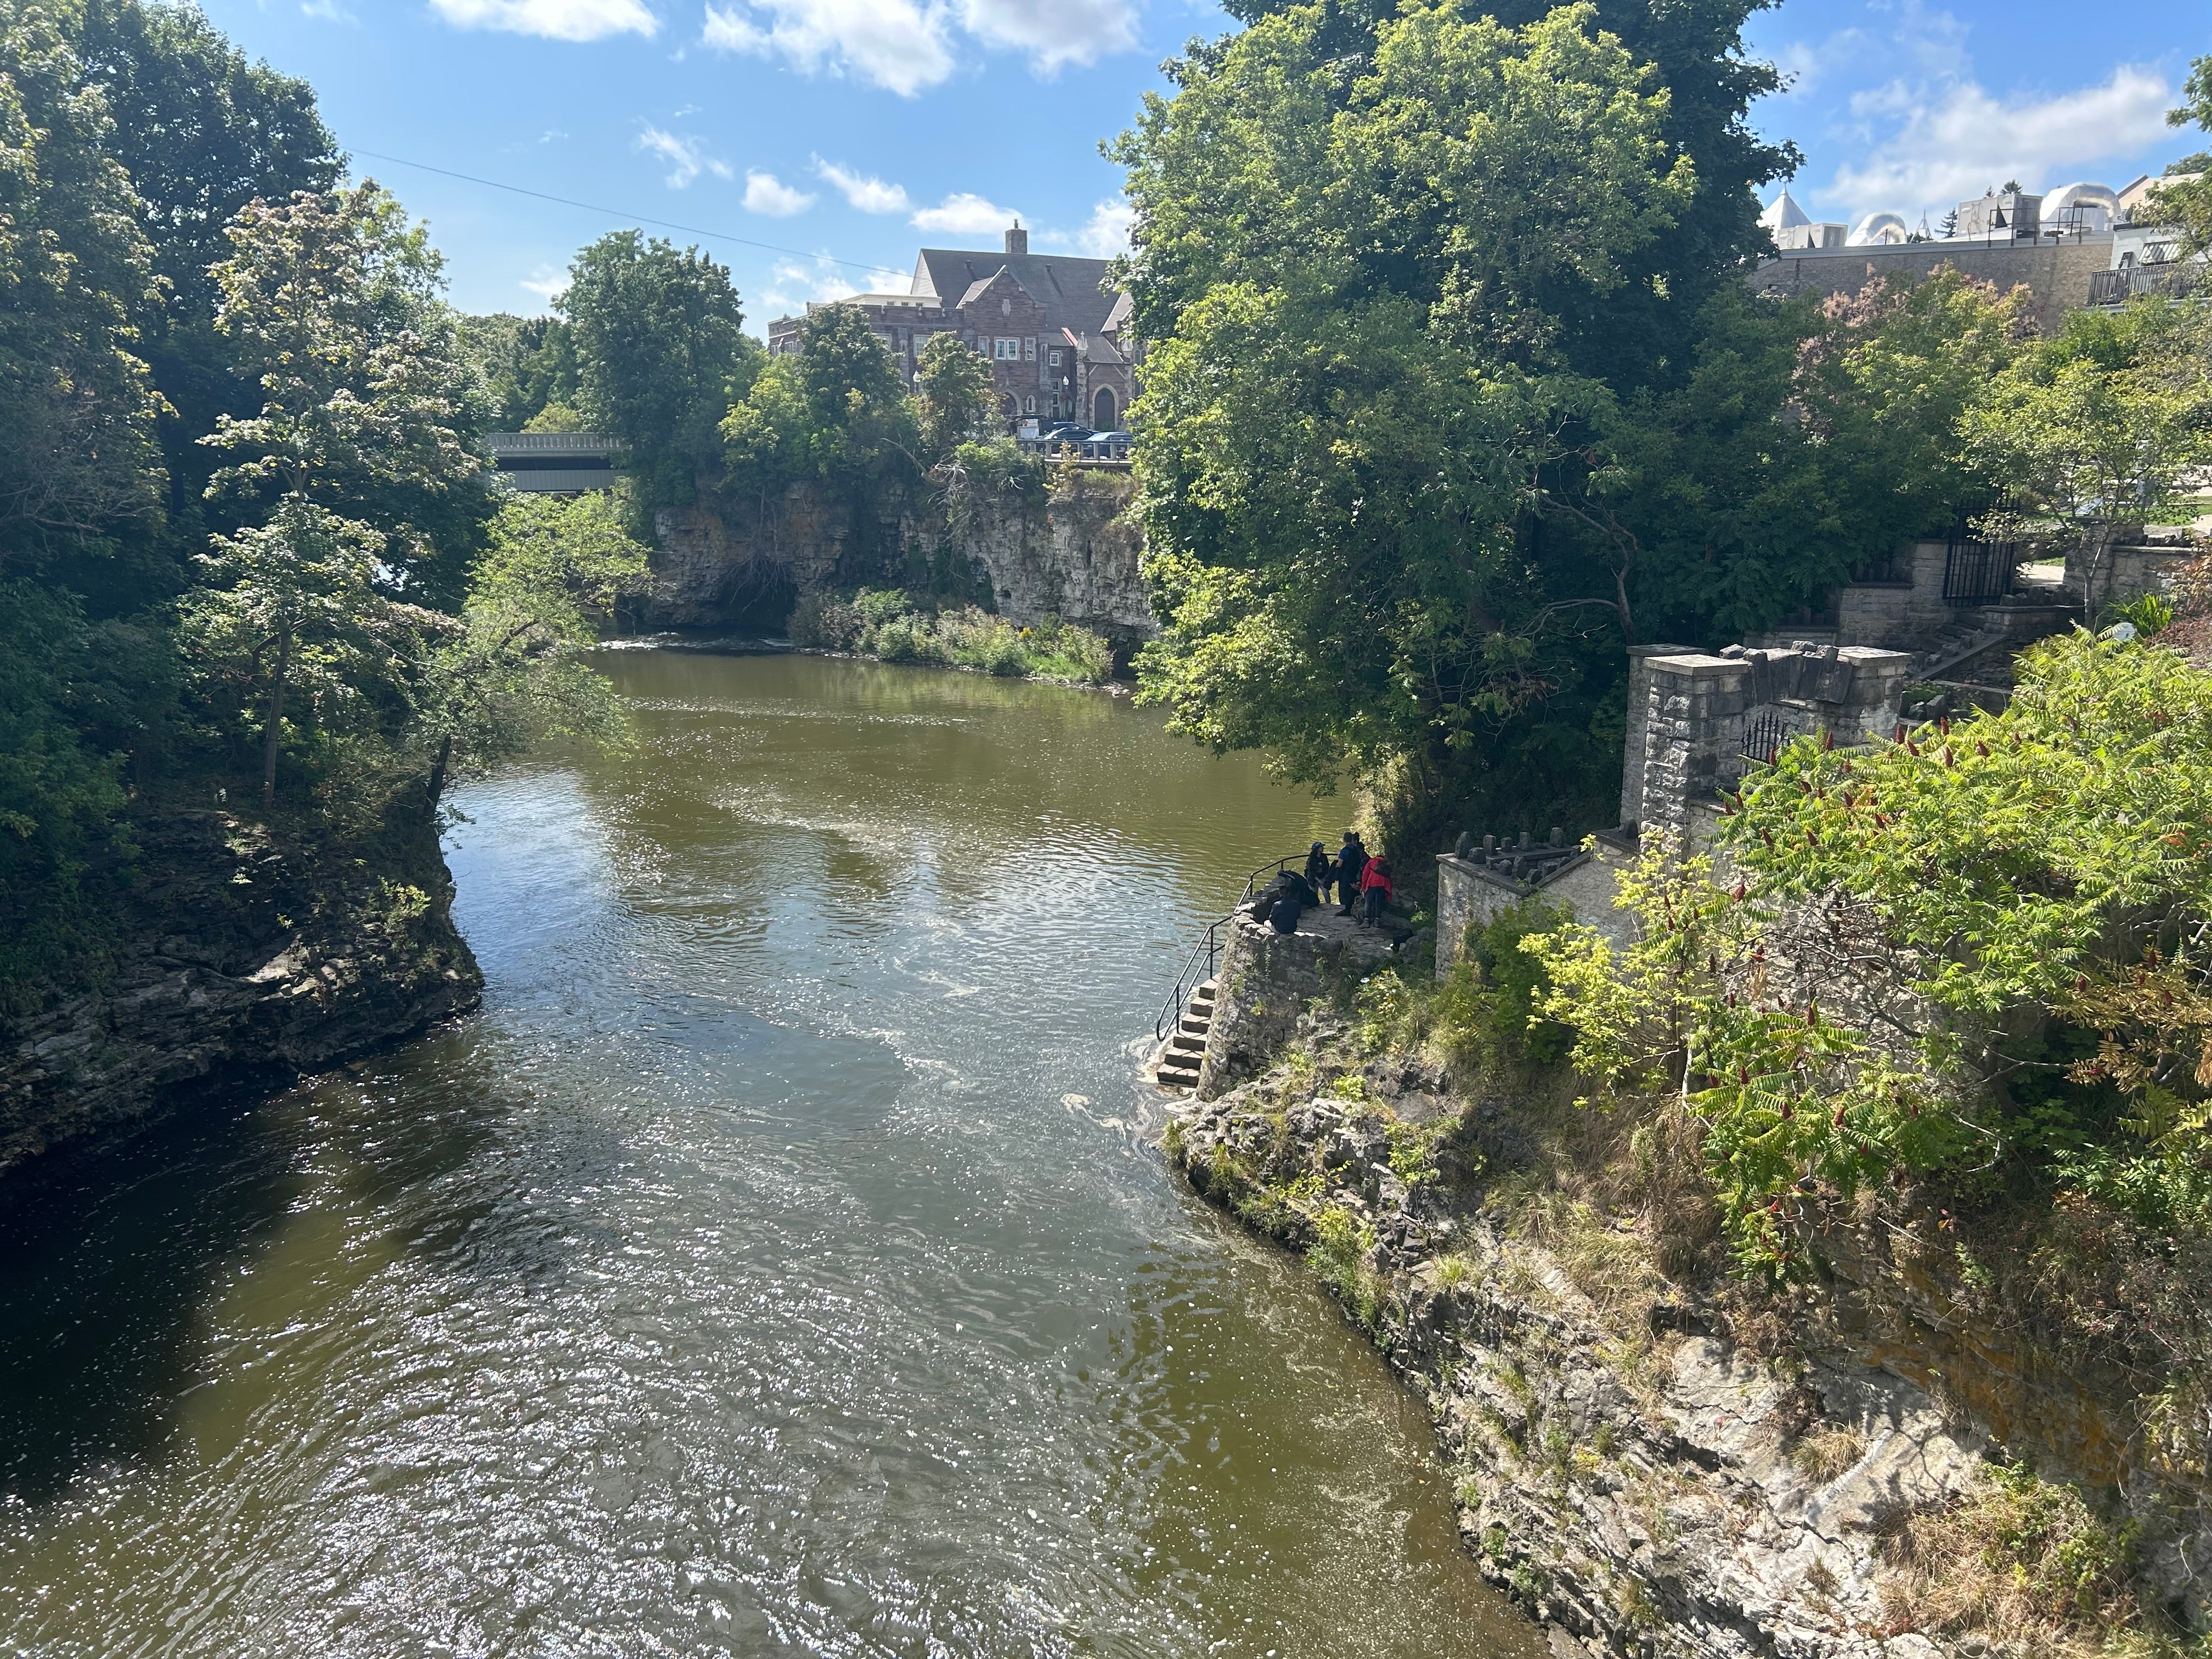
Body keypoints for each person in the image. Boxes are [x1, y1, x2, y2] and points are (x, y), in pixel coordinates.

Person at [1334, 832, 1368, 916]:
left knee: (1343, 892)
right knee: (1351, 891)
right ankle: (1350, 907)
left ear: (1344, 840)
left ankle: (1345, 908)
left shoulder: (1344, 851)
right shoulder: (1356, 850)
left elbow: (1340, 864)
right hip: (1355, 874)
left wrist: (1336, 865)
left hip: (1346, 875)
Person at [1359, 855, 1393, 927]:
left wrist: (1363, 886)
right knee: (1379, 902)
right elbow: (1389, 876)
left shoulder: (1371, 861)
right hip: (1383, 885)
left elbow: (1365, 874)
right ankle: (1377, 921)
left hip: (1372, 883)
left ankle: (1366, 921)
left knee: (1368, 902)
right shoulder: (1385, 863)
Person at [1304, 840, 1334, 905]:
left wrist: (1325, 878)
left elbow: (1327, 868)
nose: (1323, 848)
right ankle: (1315, 905)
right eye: (1321, 847)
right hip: (1313, 879)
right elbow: (1311, 872)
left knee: (1326, 893)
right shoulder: (1311, 859)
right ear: (1317, 849)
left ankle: (1329, 905)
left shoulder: (1324, 857)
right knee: (1314, 895)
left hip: (1323, 877)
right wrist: (1318, 880)